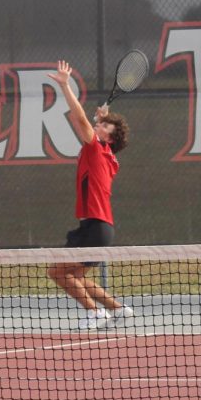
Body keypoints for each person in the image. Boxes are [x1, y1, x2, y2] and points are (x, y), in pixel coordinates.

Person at [46, 60, 133, 330]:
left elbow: (80, 119)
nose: (100, 126)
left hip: (96, 227)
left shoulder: (97, 149)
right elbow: (83, 122)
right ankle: (118, 310)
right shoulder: (106, 155)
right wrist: (101, 119)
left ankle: (95, 313)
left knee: (58, 272)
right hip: (96, 227)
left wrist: (64, 85)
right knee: (75, 276)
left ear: (109, 138)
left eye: (106, 126)